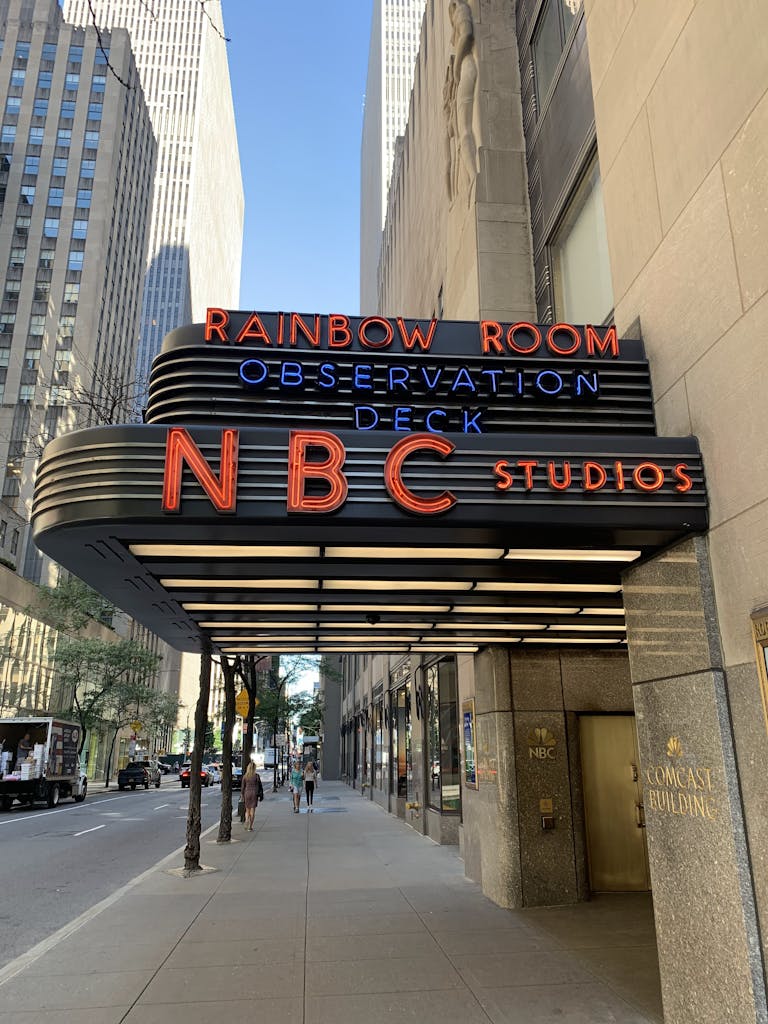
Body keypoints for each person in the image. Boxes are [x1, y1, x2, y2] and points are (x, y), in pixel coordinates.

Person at [241, 762, 263, 832]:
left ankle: (247, 819)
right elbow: (260, 786)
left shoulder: (245, 776)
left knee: (247, 810)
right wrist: (260, 795)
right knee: (252, 810)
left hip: (247, 793)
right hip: (254, 793)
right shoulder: (256, 776)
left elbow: (243, 787)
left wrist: (242, 795)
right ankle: (250, 826)